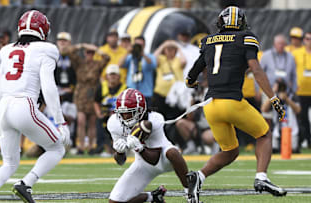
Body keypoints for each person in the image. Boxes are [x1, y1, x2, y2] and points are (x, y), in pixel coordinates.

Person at [185, 6, 287, 202]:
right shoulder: (245, 37)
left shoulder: (208, 41)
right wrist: (273, 98)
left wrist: (192, 83)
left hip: (211, 105)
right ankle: (261, 177)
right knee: (264, 134)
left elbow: (191, 76)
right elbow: (256, 70)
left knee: (230, 151)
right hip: (231, 101)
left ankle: (199, 176)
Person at [0, 10, 71, 203]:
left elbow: (0, 87)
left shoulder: (5, 50)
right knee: (57, 149)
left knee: (9, 163)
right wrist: (61, 122)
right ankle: (25, 183)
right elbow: (49, 86)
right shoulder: (47, 49)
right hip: (23, 104)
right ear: (43, 29)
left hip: (2, 106)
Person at [108, 88, 191, 203]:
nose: (125, 117)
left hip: (163, 159)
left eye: (129, 112)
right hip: (142, 163)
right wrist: (119, 152)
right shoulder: (114, 123)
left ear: (141, 111)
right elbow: (120, 162)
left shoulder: (154, 119)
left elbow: (155, 160)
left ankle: (190, 192)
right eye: (122, 113)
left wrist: (139, 148)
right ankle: (153, 198)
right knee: (114, 202)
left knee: (172, 152)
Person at [69, 43, 110, 154]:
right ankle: (81, 146)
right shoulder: (79, 63)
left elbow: (107, 57)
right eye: (88, 53)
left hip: (92, 94)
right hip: (81, 94)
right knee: (81, 121)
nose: (89, 55)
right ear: (84, 54)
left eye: (92, 53)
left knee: (92, 122)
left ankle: (92, 145)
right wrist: (81, 46)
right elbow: (70, 52)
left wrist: (97, 50)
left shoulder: (97, 64)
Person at [93, 64, 127, 155]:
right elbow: (96, 101)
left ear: (119, 76)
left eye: (114, 74)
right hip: (105, 116)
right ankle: (102, 148)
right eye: (111, 74)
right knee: (99, 124)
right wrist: (99, 113)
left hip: (120, 117)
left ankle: (121, 149)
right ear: (107, 76)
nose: (112, 77)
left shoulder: (125, 88)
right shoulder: (101, 87)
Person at [119, 36, 157, 105]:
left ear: (144, 46)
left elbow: (152, 65)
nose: (138, 47)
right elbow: (120, 64)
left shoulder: (150, 56)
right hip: (131, 93)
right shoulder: (131, 57)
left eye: (140, 45)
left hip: (146, 93)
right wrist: (127, 52)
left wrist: (142, 54)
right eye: (136, 45)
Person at [292, 31, 311, 148]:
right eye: (308, 39)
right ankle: (306, 140)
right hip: (301, 92)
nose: (309, 41)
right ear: (304, 40)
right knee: (302, 118)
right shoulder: (296, 53)